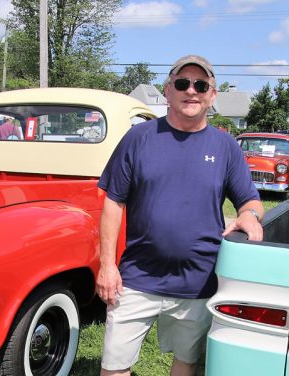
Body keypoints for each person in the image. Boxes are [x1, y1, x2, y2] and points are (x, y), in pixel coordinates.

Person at [97, 55, 264, 376]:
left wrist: (251, 216)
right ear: (168, 90)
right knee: (114, 367)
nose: (192, 91)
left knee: (185, 363)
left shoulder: (226, 146)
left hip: (198, 282)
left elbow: (250, 201)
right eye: (182, 83)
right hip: (135, 279)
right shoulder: (139, 138)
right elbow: (112, 203)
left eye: (201, 85)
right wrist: (106, 265)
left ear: (212, 95)